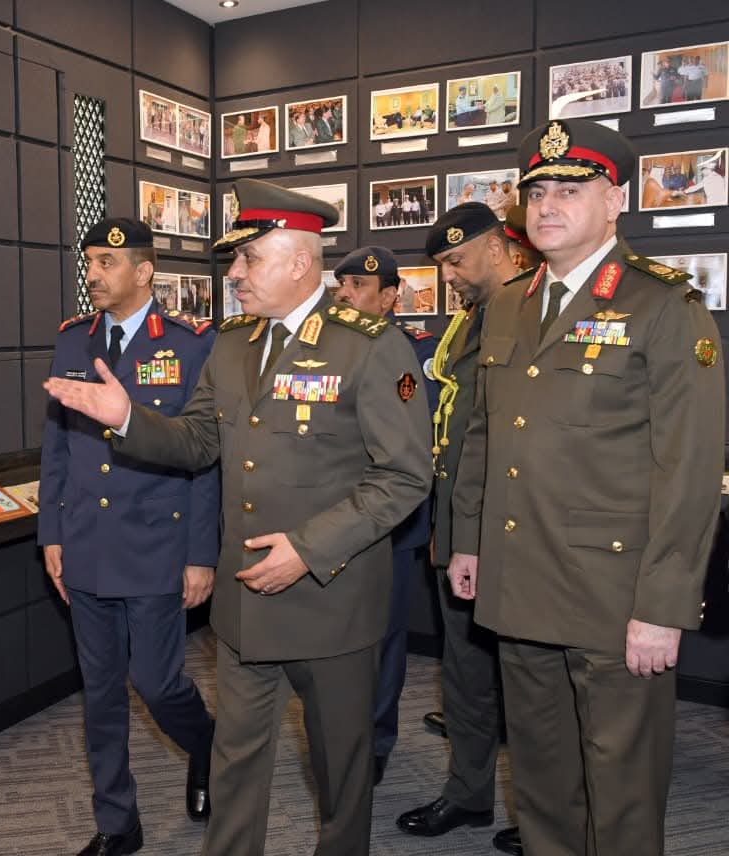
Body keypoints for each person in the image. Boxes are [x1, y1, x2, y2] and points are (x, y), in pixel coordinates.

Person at [44, 178, 433, 856]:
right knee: (236, 763)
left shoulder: (369, 346)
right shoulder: (232, 344)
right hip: (246, 599)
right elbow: (198, 442)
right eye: (236, 260)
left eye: (250, 258)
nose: (235, 274)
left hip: (331, 600)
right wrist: (129, 418)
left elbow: (404, 476)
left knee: (340, 769)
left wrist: (308, 549)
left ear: (301, 262)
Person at [448, 119, 724, 856]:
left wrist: (663, 605)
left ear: (615, 201)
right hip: (520, 577)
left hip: (615, 593)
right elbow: (485, 433)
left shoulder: (663, 305)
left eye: (570, 190)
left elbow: (689, 468)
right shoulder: (510, 302)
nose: (547, 205)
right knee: (541, 782)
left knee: (622, 790)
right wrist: (470, 541)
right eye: (537, 190)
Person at [39, 217, 220, 856]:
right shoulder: (72, 340)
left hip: (155, 544)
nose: (92, 273)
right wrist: (51, 532)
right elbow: (57, 447)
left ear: (143, 272)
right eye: (89, 261)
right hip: (86, 541)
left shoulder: (190, 344)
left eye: (106, 263)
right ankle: (118, 822)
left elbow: (205, 459)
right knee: (101, 692)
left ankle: (207, 745)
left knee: (156, 681)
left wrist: (201, 554)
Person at [395, 203, 531, 856]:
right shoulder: (468, 320)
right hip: (457, 522)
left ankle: (544, 816)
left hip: (514, 527)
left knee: (530, 685)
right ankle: (470, 792)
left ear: (498, 247)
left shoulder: (534, 310)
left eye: (456, 260)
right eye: (442, 264)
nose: (447, 275)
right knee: (466, 671)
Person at [331, 247, 439, 788]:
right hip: (332, 521)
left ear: (390, 297)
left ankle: (375, 738)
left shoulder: (418, 353)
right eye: (341, 285)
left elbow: (421, 442)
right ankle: (336, 733)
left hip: (392, 524)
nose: (344, 295)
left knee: (384, 638)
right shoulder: (323, 350)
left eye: (358, 287)